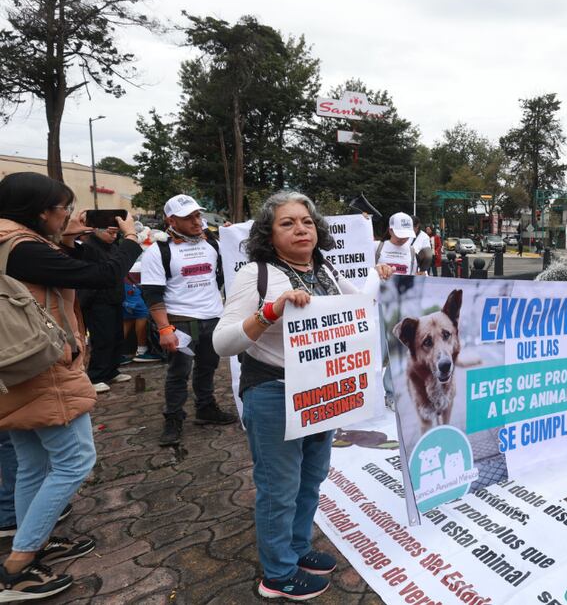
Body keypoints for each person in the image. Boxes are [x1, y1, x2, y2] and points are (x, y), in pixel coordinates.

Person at [213, 192, 394, 600]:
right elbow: (222, 343)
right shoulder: (255, 275)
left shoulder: (325, 269)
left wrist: (378, 278)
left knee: (311, 478)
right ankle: (277, 574)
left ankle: (296, 548)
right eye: (287, 223)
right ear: (268, 233)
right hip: (274, 393)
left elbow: (360, 306)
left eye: (307, 222)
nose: (300, 229)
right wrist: (269, 313)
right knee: (279, 486)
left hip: (321, 393)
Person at [0, 172, 142, 600]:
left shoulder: (17, 241)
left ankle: (34, 540)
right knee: (75, 461)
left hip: (19, 366)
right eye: (62, 209)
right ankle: (17, 568)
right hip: (43, 367)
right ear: (39, 212)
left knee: (34, 464)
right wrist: (131, 240)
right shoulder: (20, 247)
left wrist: (68, 234)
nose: (67, 216)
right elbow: (100, 275)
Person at [140, 194, 236, 447]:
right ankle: (173, 418)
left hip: (213, 318)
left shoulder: (211, 243)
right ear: (171, 220)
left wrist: (231, 235)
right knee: (178, 373)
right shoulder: (159, 251)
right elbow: (152, 294)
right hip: (182, 322)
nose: (196, 221)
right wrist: (164, 329)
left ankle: (205, 408)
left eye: (197, 215)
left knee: (208, 367)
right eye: (188, 218)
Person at [77, 228, 131, 392]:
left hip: (115, 297)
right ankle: (96, 375)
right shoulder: (88, 248)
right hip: (97, 300)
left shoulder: (113, 247)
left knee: (116, 336)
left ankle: (112, 370)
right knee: (103, 338)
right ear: (97, 230)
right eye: (110, 233)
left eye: (116, 234)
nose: (113, 236)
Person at [375, 212, 423, 276]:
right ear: (390, 231)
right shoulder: (376, 246)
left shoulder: (411, 251)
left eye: (406, 235)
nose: (403, 238)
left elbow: (412, 276)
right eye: (400, 235)